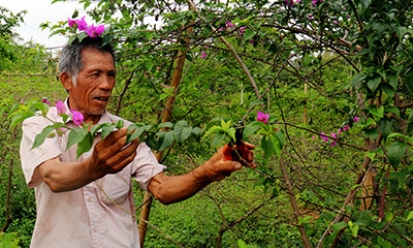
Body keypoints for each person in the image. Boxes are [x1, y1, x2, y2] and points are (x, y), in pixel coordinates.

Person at [19, 36, 254, 248]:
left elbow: (162, 189)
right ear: (66, 80)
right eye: (95, 74)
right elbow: (53, 176)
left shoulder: (126, 132)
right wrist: (94, 167)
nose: (106, 84)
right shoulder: (41, 125)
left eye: (111, 74)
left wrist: (205, 173)